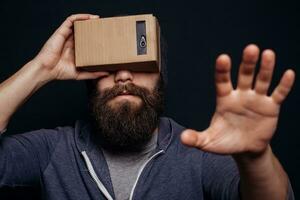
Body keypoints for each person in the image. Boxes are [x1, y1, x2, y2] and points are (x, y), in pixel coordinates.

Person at [0, 14, 295, 200]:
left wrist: (256, 158)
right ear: (91, 82)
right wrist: (41, 68)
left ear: (160, 79)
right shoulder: (54, 149)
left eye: (140, 65)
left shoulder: (196, 154)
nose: (124, 75)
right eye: (110, 66)